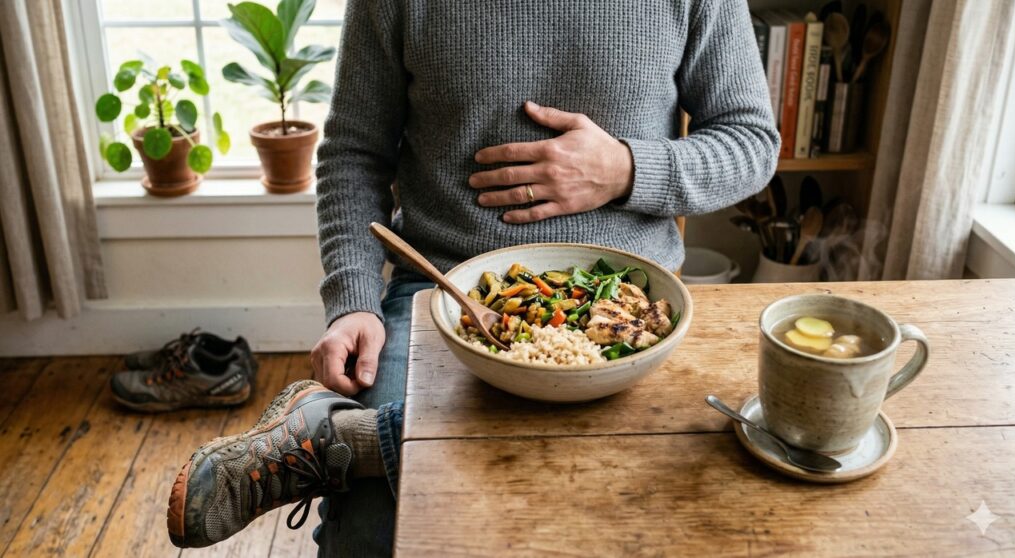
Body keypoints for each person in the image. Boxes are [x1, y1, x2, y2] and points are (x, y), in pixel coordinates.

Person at [166, 0, 780, 554]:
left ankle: (345, 439)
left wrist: (623, 168)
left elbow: (751, 143)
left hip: (630, 306)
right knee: (371, 535)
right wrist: (353, 298)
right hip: (440, 292)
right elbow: (354, 152)